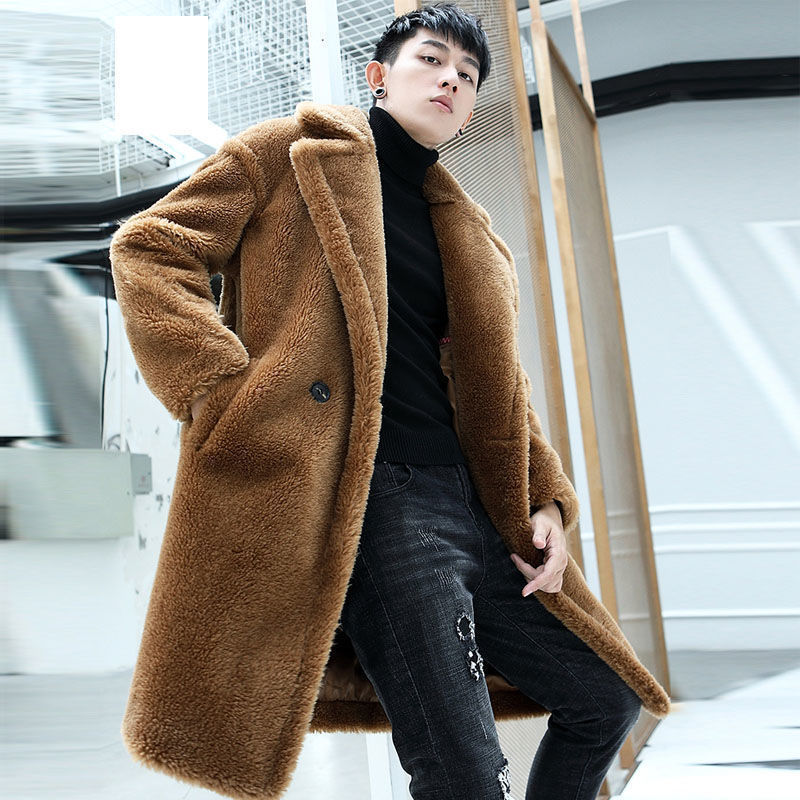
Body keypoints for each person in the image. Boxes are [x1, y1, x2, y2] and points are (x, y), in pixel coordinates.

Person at [110, 3, 670, 799]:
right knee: (464, 771)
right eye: (431, 60)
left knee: (603, 700)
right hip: (381, 502)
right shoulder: (288, 154)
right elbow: (151, 248)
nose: (450, 80)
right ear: (378, 76)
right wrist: (220, 387)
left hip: (478, 506)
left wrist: (546, 500)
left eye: (467, 75)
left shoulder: (471, 233)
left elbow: (498, 388)